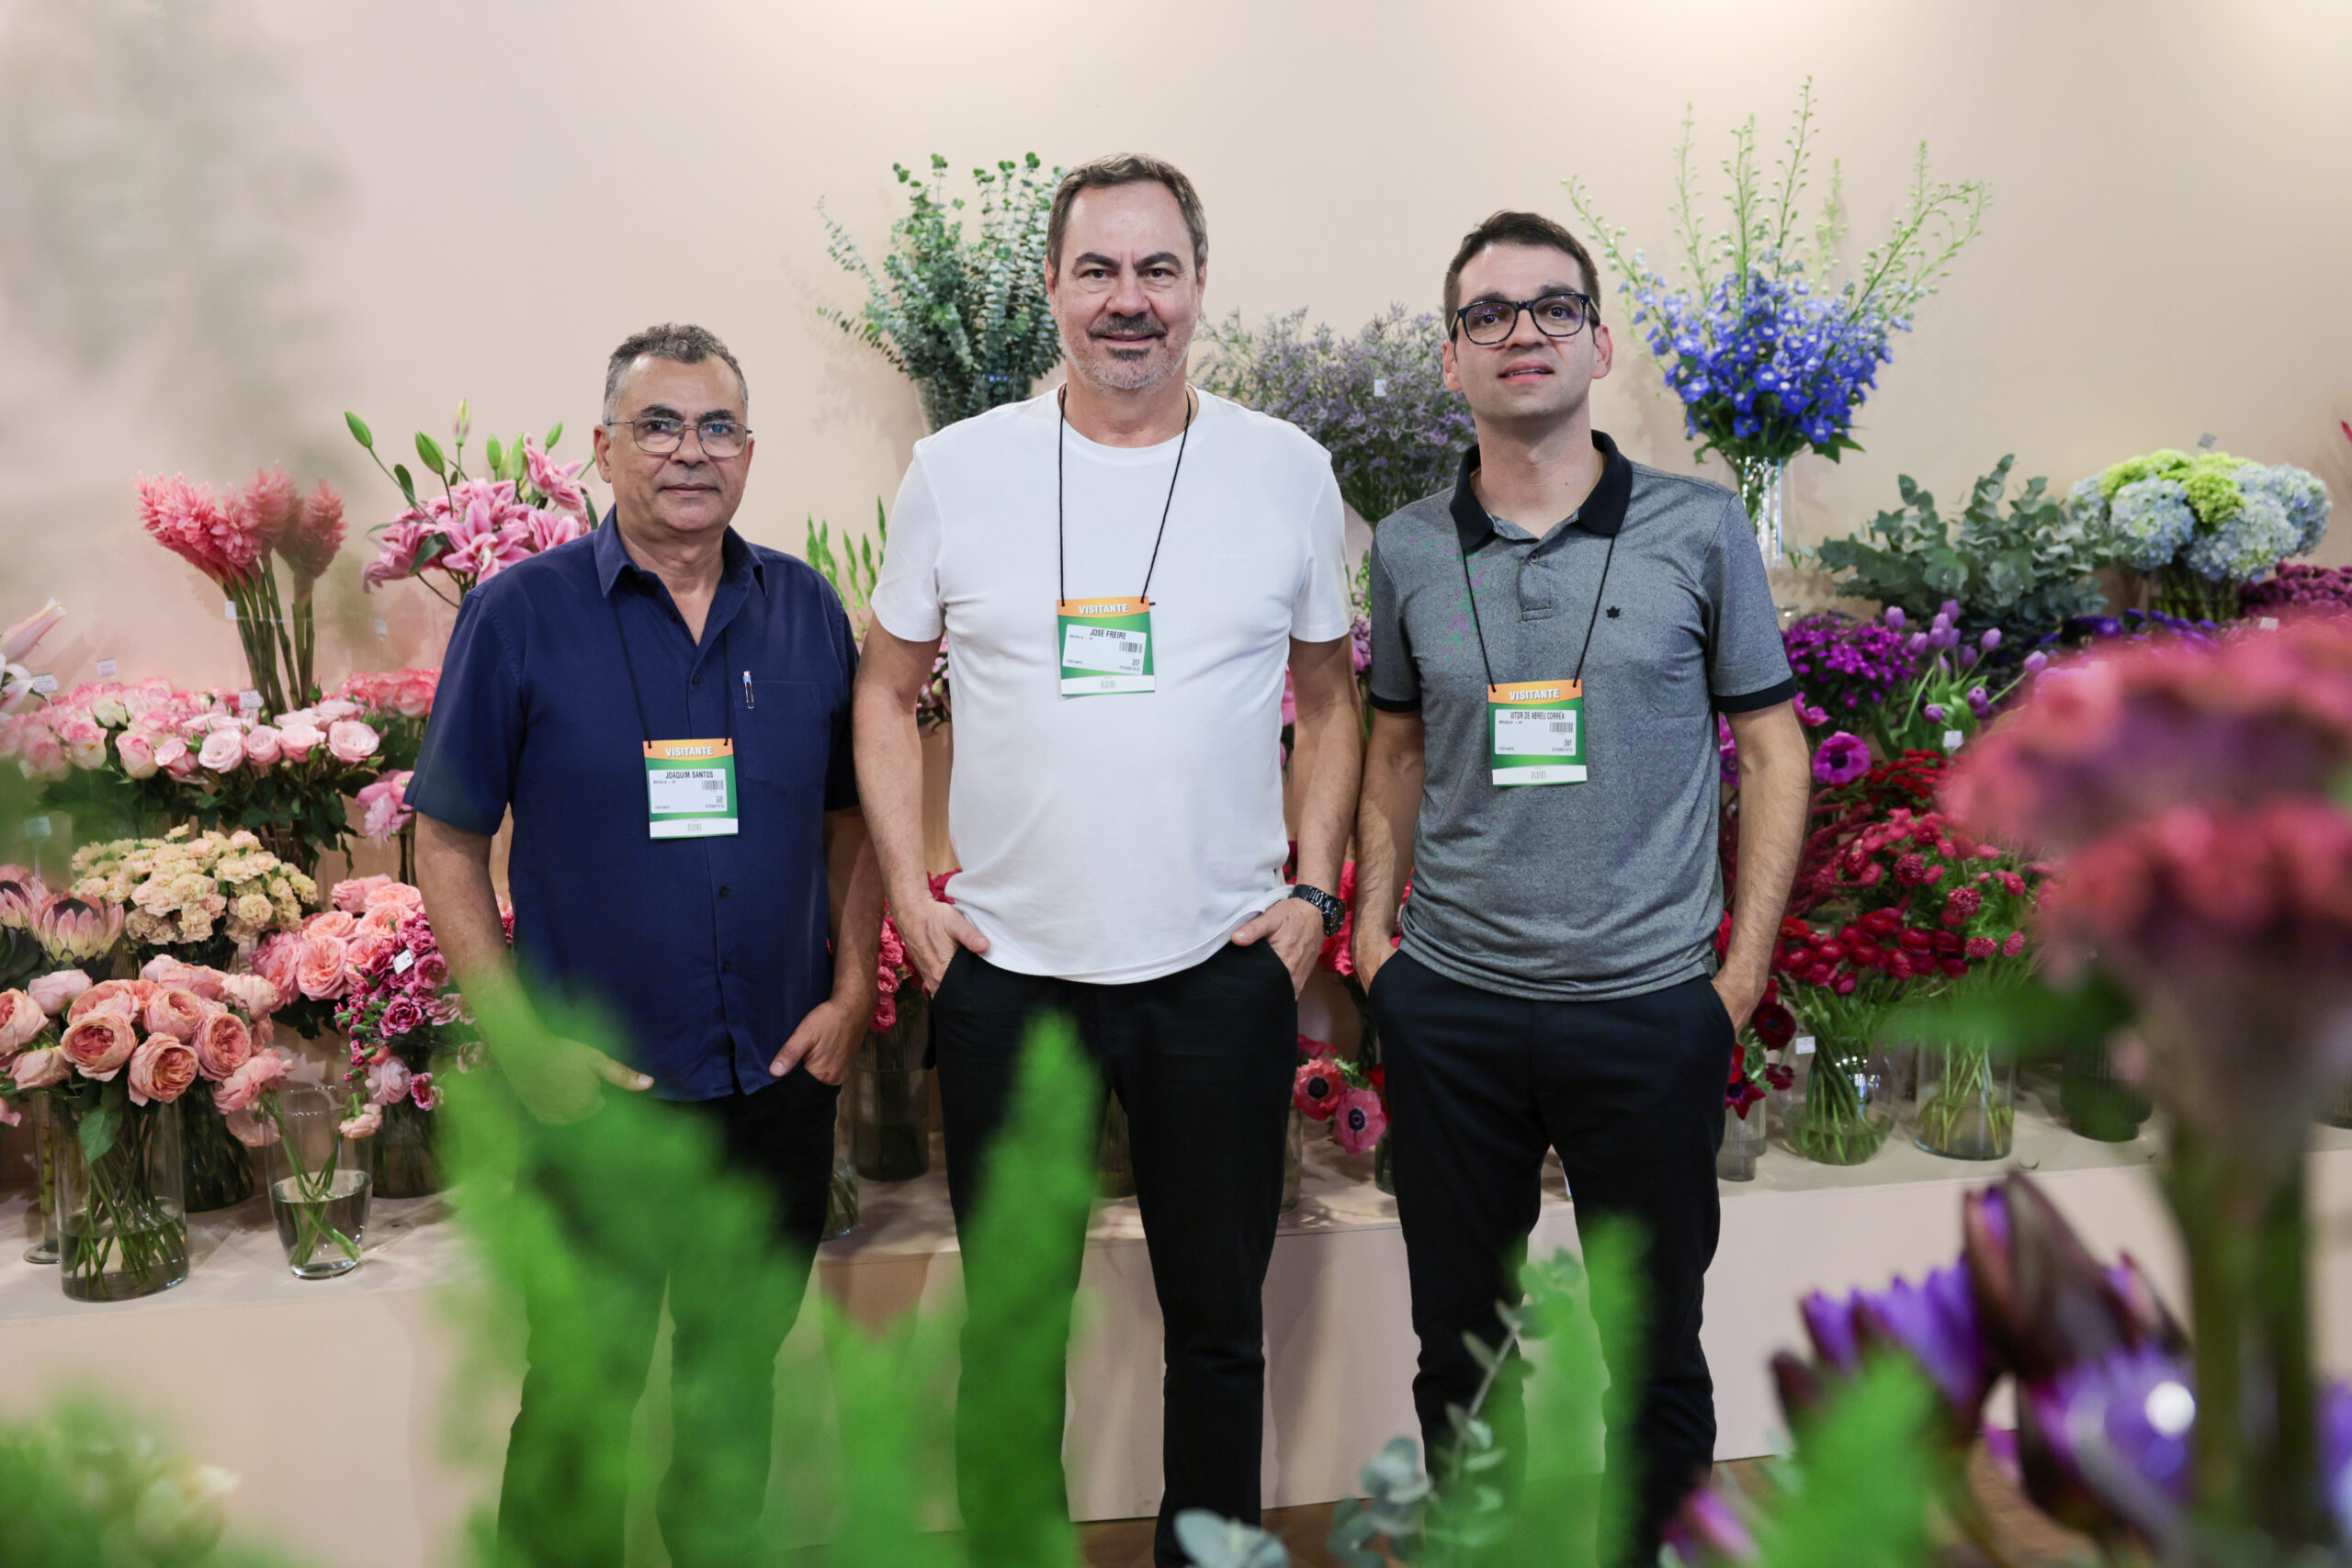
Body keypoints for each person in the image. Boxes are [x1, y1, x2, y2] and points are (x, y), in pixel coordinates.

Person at [854, 154, 1362, 1567]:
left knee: (1218, 1329)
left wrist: (1315, 892)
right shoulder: (959, 472)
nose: (1127, 300)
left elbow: (1332, 702)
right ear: (1053, 290)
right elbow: (882, 694)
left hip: (1219, 973)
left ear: (1198, 285)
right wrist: (911, 900)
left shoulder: (1285, 471)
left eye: (1156, 270)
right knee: (1013, 1330)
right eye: (1098, 270)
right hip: (1011, 979)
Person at [1351, 211, 1811, 1562]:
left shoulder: (1698, 527)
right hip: (1456, 1008)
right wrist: (1377, 949)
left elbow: (1774, 749)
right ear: (1452, 357)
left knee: (1654, 1348)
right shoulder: (1409, 546)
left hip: (1649, 1007)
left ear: (1600, 345)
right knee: (1462, 1347)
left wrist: (1739, 977)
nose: (1524, 334)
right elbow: (1393, 747)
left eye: (1555, 308)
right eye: (1489, 313)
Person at [409, 322, 880, 1568]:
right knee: (578, 1396)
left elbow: (854, 822)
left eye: (717, 427)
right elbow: (444, 841)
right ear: (605, 447)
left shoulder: (806, 610)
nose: (690, 452)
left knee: (735, 1393)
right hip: (595, 1102)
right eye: (659, 425)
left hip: (774, 1086)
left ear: (749, 452)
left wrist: (850, 993)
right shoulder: (518, 615)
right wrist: (524, 1046)